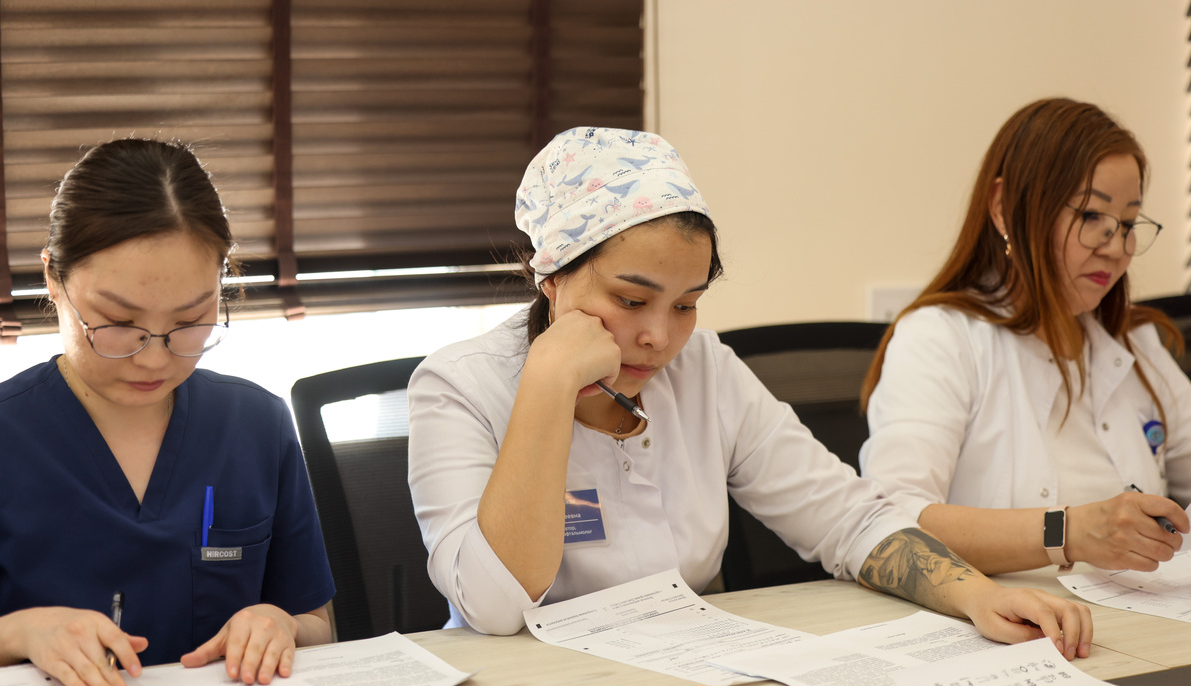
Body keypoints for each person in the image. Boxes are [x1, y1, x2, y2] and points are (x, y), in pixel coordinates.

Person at [407, 126, 1092, 658]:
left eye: (685, 305)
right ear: (551, 276)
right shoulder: (460, 385)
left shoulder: (703, 366)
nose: (658, 338)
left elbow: (845, 517)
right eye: (630, 299)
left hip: (692, 674)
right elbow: (496, 610)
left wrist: (974, 595)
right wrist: (550, 383)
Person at [0, 139, 336, 686]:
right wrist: (18, 633)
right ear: (53, 279)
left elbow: (317, 622)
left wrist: (283, 625)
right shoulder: (2, 437)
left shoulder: (256, 425)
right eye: (118, 322)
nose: (154, 358)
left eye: (191, 320)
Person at [860, 98, 1190, 577]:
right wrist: (1068, 533)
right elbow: (888, 524)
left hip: (1132, 632)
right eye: (1092, 218)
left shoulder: (1136, 343)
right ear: (1004, 209)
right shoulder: (940, 338)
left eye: (1127, 224)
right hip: (1002, 634)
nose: (1117, 248)